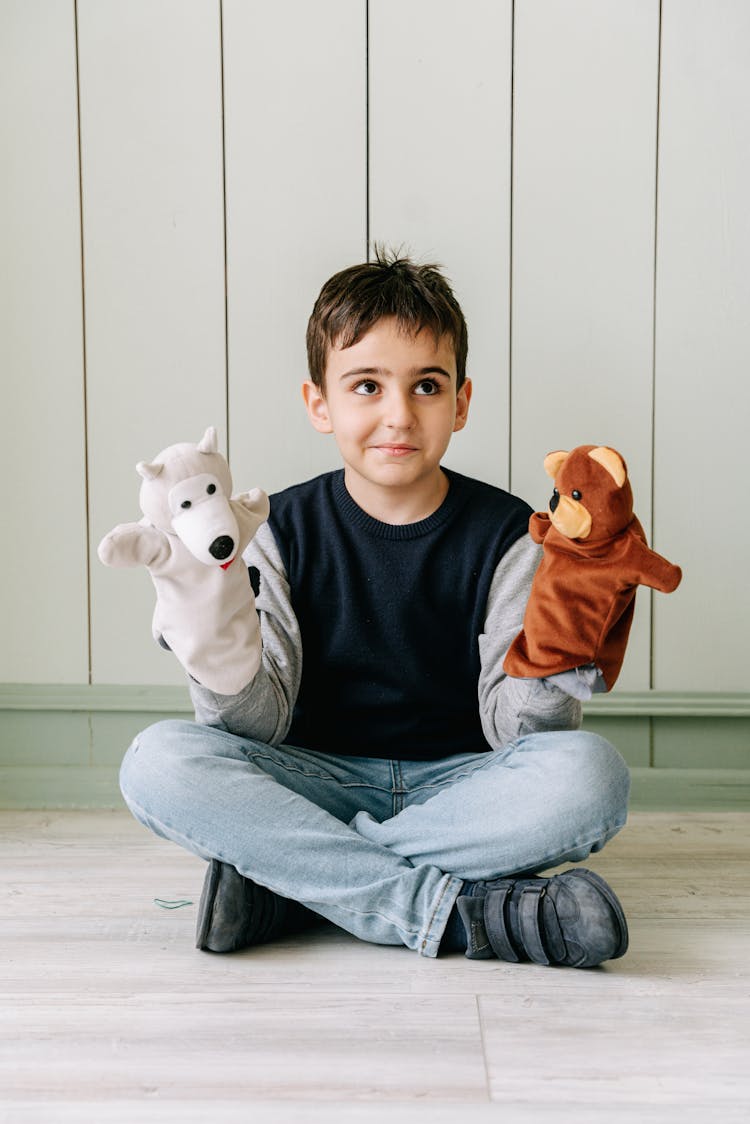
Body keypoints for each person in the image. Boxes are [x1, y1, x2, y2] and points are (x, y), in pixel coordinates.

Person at [119, 250, 631, 967]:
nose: (398, 415)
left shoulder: (515, 537)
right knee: (157, 762)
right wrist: (212, 633)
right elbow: (254, 726)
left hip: (464, 784)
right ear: (319, 403)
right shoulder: (273, 530)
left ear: (461, 400)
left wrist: (554, 654)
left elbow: (520, 735)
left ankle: (298, 887)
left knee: (592, 776)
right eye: (367, 385)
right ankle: (457, 915)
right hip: (310, 780)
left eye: (426, 385)